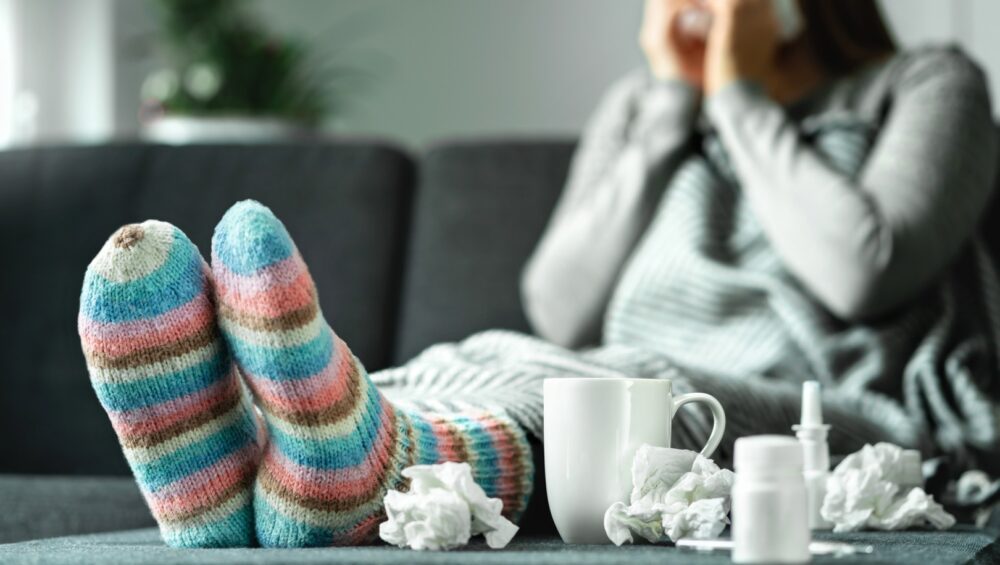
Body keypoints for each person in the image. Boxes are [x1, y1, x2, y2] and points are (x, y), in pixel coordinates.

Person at [77, 0, 998, 549]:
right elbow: (556, 301)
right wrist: (672, 111)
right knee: (478, 350)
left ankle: (374, 470)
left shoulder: (927, 83)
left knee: (598, 382)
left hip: (813, 415)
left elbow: (863, 272)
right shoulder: (646, 109)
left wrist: (737, 97)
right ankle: (242, 489)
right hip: (617, 372)